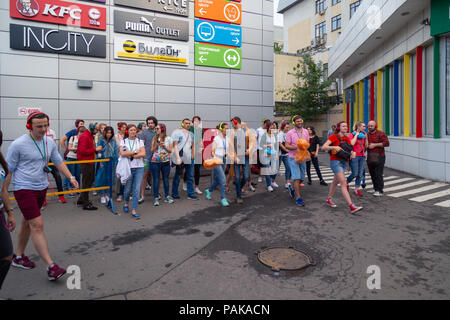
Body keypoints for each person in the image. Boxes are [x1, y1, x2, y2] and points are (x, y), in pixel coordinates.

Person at [5, 112, 79, 281]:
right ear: (29, 127)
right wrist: (4, 195)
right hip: (24, 188)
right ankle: (51, 267)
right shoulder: (18, 145)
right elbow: (9, 170)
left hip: (41, 187)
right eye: (39, 126)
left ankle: (18, 256)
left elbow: (58, 160)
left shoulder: (48, 142)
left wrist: (71, 177)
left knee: (27, 222)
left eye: (46, 125)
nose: (43, 129)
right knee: (37, 225)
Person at [321, 121, 363, 214]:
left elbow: (350, 146)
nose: (345, 127)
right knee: (343, 183)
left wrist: (352, 153)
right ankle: (351, 206)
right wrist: (334, 147)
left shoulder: (346, 137)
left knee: (335, 182)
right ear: (339, 127)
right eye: (343, 126)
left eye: (346, 126)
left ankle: (329, 199)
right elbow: (323, 147)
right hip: (335, 162)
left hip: (343, 162)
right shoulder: (334, 136)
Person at [0, 130, 15, 292]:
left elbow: (3, 190)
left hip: (0, 214)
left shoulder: (1, 161)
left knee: (6, 256)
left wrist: (10, 212)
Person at [120, 124, 146, 219]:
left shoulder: (140, 141)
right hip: (128, 168)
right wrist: (135, 152)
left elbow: (143, 153)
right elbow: (122, 153)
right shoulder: (123, 141)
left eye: (134, 130)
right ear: (127, 131)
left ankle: (134, 209)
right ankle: (126, 203)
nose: (133, 132)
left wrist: (131, 155)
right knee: (127, 190)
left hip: (139, 167)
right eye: (131, 130)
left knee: (136, 189)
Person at [285, 115, 309, 206]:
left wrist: (305, 147)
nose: (300, 122)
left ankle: (292, 189)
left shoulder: (306, 131)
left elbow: (307, 143)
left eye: (301, 120)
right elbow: (287, 145)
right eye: (298, 121)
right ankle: (298, 198)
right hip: (293, 158)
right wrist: (297, 147)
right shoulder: (290, 133)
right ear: (294, 123)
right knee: (297, 177)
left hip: (302, 157)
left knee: (301, 178)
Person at [77, 122, 101, 211]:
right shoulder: (85, 136)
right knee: (87, 181)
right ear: (92, 128)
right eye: (96, 129)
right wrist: (95, 149)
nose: (97, 131)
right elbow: (82, 151)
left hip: (90, 161)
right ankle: (86, 203)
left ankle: (81, 199)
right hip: (85, 162)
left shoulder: (90, 136)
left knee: (89, 180)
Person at [171, 118, 198, 200]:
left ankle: (191, 194)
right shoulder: (177, 133)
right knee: (178, 176)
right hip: (181, 158)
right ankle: (174, 193)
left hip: (189, 158)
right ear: (182, 124)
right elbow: (175, 145)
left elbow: (193, 146)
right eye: (186, 123)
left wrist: (193, 156)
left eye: (189, 123)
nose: (188, 125)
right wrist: (178, 158)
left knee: (190, 176)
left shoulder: (191, 134)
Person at [205, 122, 230, 207]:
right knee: (223, 179)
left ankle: (209, 190)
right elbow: (213, 150)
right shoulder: (217, 138)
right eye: (226, 128)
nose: (227, 130)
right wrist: (213, 154)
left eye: (228, 128)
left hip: (223, 159)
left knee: (218, 178)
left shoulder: (227, 138)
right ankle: (223, 198)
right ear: (221, 129)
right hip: (216, 160)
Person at [150, 124, 174, 206]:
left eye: (158, 128)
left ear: (162, 129)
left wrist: (164, 147)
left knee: (166, 179)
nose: (156, 129)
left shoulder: (169, 138)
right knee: (156, 180)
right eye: (156, 128)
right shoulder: (154, 138)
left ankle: (167, 196)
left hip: (165, 161)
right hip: (155, 162)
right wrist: (156, 145)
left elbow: (170, 150)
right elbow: (152, 151)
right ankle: (156, 197)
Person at [95, 126, 119, 205]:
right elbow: (98, 151)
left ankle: (107, 194)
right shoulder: (101, 140)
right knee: (102, 178)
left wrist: (116, 162)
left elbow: (116, 152)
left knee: (110, 178)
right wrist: (100, 162)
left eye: (110, 133)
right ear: (104, 132)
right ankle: (102, 194)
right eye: (107, 132)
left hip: (111, 161)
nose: (109, 134)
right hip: (103, 161)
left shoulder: (113, 141)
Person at [366, 120, 390, 197]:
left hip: (379, 156)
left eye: (371, 126)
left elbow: (387, 143)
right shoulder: (366, 135)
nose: (370, 127)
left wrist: (375, 145)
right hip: (370, 156)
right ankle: (375, 188)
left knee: (378, 174)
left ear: (375, 126)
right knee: (372, 173)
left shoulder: (381, 133)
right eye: (369, 125)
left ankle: (380, 190)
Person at [227, 117, 248, 204]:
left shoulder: (244, 130)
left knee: (246, 176)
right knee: (238, 177)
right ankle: (239, 196)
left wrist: (248, 150)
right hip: (236, 157)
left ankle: (238, 187)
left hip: (245, 156)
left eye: (233, 123)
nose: (232, 124)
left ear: (236, 122)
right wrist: (235, 156)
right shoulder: (231, 133)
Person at [45, 127, 66, 204]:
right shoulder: (37, 132)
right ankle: (42, 199)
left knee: (57, 176)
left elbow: (54, 144)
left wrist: (54, 155)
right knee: (42, 178)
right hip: (42, 159)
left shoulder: (52, 131)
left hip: (51, 158)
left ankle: (61, 196)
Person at [138, 117, 157, 204]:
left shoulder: (158, 132)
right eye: (148, 123)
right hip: (146, 158)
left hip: (157, 158)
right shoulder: (143, 133)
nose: (150, 124)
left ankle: (156, 194)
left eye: (152, 123)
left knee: (156, 176)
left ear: (155, 123)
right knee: (144, 176)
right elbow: (141, 146)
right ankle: (142, 195)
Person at [61, 119, 84, 191]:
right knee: (70, 173)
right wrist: (66, 150)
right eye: (80, 124)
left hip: (79, 157)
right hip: (71, 155)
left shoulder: (84, 134)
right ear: (77, 125)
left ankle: (75, 188)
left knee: (77, 174)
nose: (82, 125)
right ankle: (67, 187)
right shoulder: (72, 132)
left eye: (83, 124)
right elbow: (62, 140)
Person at [346, 122, 367, 197]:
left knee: (360, 174)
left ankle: (356, 189)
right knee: (354, 173)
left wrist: (366, 137)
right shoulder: (352, 134)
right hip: (354, 156)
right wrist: (356, 135)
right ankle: (346, 183)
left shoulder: (363, 135)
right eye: (363, 126)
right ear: (358, 127)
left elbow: (366, 146)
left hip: (362, 156)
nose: (365, 127)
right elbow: (351, 143)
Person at [66, 126, 85, 198]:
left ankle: (77, 189)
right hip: (71, 157)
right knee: (71, 175)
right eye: (81, 132)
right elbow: (69, 147)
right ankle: (71, 190)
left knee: (78, 174)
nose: (81, 134)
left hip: (79, 159)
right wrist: (76, 149)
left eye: (83, 133)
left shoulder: (84, 139)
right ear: (78, 132)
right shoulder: (73, 138)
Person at [260, 121, 278, 192]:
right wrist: (267, 146)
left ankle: (272, 181)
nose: (272, 128)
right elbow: (261, 145)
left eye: (273, 127)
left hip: (273, 153)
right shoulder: (264, 135)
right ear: (268, 127)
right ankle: (269, 185)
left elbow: (276, 145)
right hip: (266, 154)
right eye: (271, 127)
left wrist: (276, 154)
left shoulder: (275, 135)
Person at [188, 116, 203, 195]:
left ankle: (196, 187)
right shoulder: (189, 128)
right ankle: (185, 182)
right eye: (194, 120)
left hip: (197, 152)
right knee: (188, 169)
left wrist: (201, 148)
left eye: (197, 121)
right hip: (189, 151)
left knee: (197, 170)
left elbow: (201, 140)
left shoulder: (201, 130)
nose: (196, 122)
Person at [115, 122, 127, 202]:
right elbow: (119, 145)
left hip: (126, 157)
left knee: (127, 176)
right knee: (119, 177)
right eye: (123, 127)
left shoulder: (127, 135)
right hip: (119, 157)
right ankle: (119, 193)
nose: (124, 129)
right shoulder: (117, 136)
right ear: (119, 128)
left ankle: (126, 193)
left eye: (125, 127)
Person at [278, 120, 292, 189]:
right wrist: (286, 150)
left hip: (286, 155)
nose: (288, 129)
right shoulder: (280, 134)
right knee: (276, 169)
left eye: (289, 127)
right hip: (280, 154)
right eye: (286, 127)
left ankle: (287, 182)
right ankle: (272, 181)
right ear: (283, 127)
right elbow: (280, 143)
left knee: (288, 168)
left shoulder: (288, 134)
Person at [256, 119, 271, 183]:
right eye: (267, 125)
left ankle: (266, 177)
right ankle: (260, 176)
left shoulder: (268, 131)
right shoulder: (258, 130)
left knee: (267, 163)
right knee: (260, 164)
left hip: (268, 149)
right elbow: (256, 138)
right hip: (260, 149)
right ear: (264, 124)